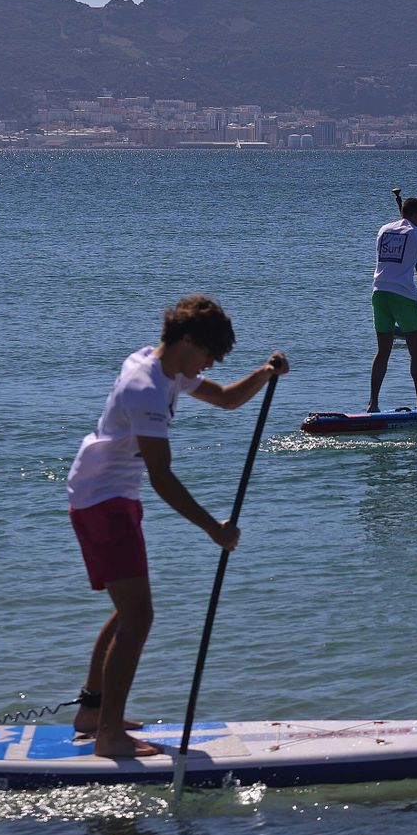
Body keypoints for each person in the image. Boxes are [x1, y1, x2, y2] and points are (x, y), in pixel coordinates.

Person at [66, 295, 289, 758]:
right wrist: (214, 528)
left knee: (129, 610)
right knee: (139, 615)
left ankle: (92, 712)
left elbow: (225, 399)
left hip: (109, 494)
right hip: (103, 500)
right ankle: (109, 735)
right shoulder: (146, 387)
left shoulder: (162, 365)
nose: (210, 364)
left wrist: (265, 373)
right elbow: (163, 478)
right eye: (209, 354)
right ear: (187, 341)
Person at [369, 195, 417, 412]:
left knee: (382, 351)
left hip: (379, 293)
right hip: (403, 296)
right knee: (416, 351)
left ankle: (373, 404)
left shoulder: (383, 230)